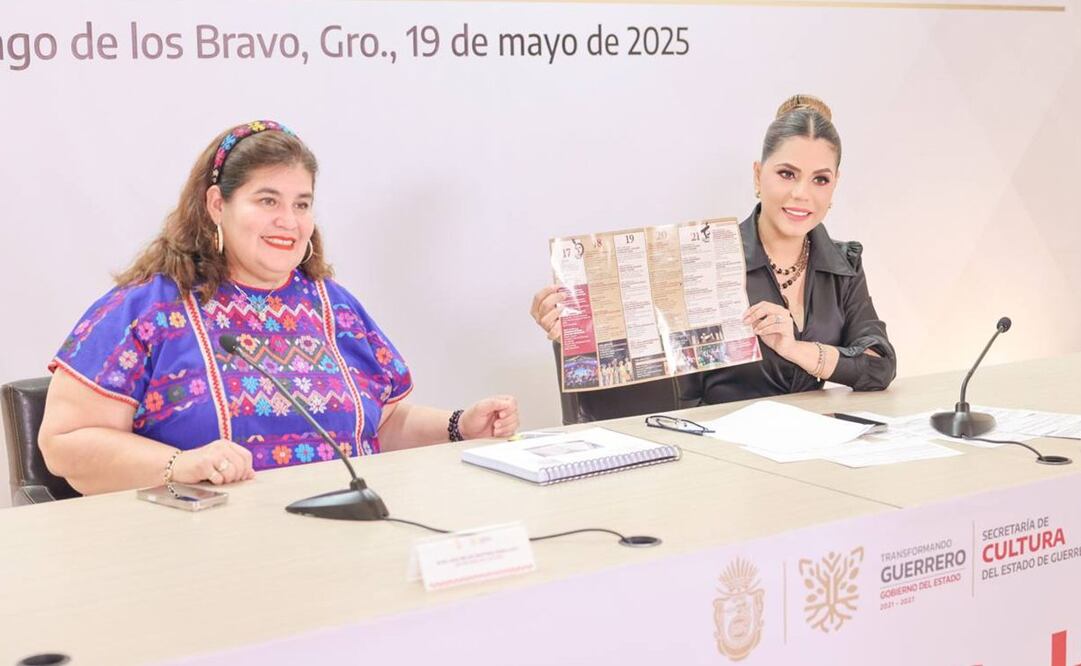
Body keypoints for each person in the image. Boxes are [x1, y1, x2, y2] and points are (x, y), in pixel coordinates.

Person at [40, 120, 519, 495]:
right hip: (197, 556)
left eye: (301, 204)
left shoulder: (334, 306)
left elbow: (384, 424)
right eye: (267, 200)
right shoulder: (148, 309)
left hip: (342, 542)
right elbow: (65, 443)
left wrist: (460, 425)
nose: (288, 221)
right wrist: (179, 465)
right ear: (216, 205)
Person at [530, 95, 895, 421]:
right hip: (719, 453)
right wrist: (577, 337)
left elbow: (879, 366)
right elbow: (658, 388)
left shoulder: (843, 264)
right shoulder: (701, 258)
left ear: (835, 185)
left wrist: (795, 349)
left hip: (817, 447)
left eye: (820, 179)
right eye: (787, 174)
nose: (802, 193)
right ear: (758, 176)